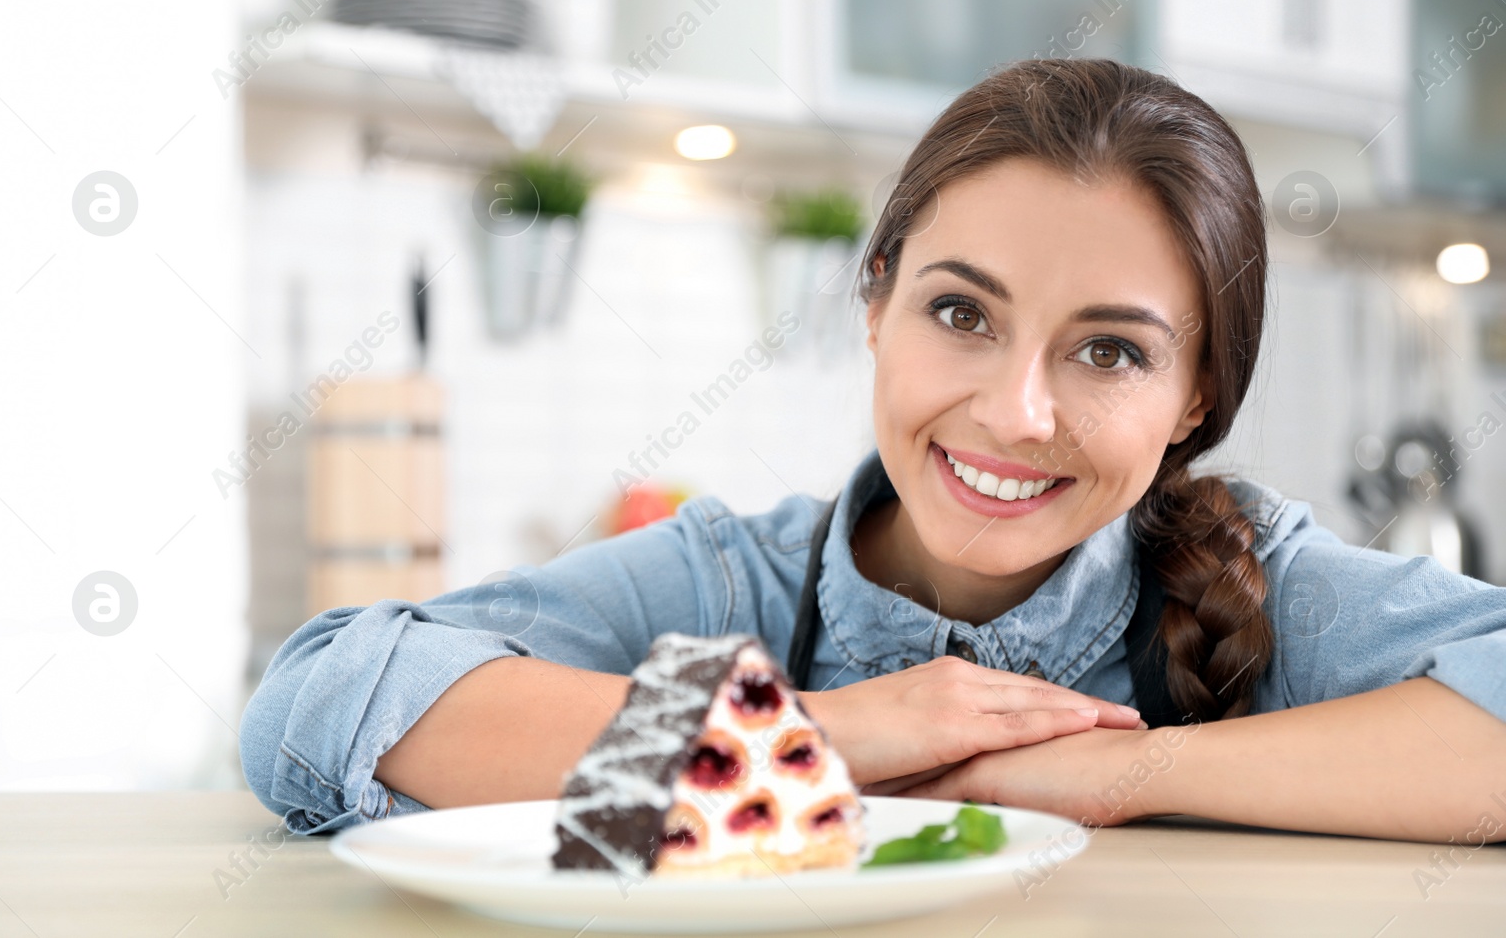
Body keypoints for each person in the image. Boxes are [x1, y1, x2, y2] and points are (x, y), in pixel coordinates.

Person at [239, 59, 1506, 844]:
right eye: (961, 312)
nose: (1016, 411)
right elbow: (323, 701)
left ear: (1196, 394)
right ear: (874, 304)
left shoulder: (1257, 584)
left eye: (1108, 350)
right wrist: (812, 733)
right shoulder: (734, 585)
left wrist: (1124, 770)